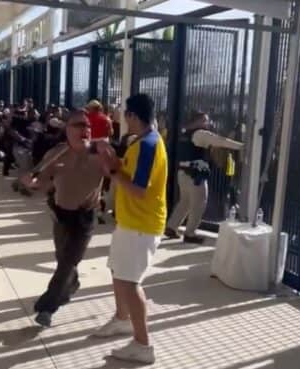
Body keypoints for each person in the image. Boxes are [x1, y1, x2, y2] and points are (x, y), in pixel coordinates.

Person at [92, 93, 167, 364]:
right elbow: (129, 174)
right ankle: (122, 320)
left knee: (129, 282)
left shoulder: (148, 144)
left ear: (133, 116)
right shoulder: (140, 143)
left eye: (126, 114)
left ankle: (142, 345)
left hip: (141, 225)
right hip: (130, 223)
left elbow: (138, 189)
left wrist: (112, 172)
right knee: (118, 272)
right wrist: (112, 162)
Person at [20, 111, 107, 328]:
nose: (84, 129)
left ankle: (47, 308)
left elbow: (117, 170)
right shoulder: (56, 154)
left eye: (87, 126)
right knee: (64, 259)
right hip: (60, 213)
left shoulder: (100, 152)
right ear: (67, 129)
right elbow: (41, 182)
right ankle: (72, 284)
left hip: (86, 216)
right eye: (78, 125)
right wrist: (30, 183)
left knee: (68, 261)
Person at [164, 111, 244, 243]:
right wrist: (241, 147)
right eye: (205, 120)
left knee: (185, 202)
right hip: (196, 176)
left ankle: (172, 227)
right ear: (199, 121)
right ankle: (190, 233)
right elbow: (220, 141)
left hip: (182, 173)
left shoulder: (184, 134)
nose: (208, 123)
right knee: (199, 203)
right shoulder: (200, 134)